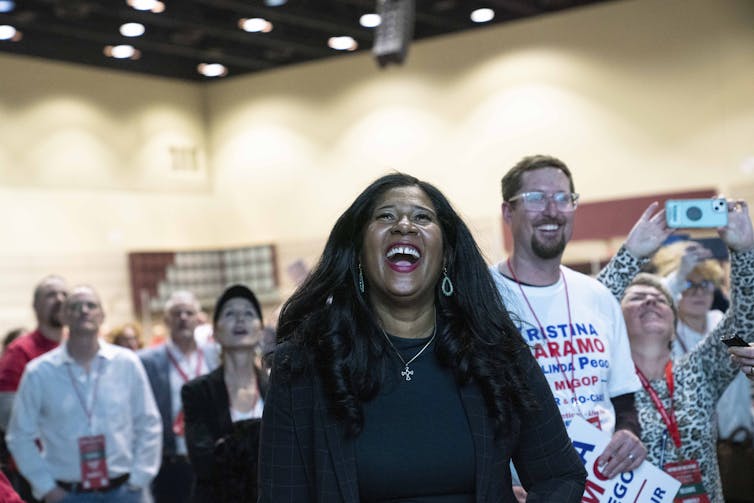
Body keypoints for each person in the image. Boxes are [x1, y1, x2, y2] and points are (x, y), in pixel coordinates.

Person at [258, 173, 586, 502]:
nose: (404, 225)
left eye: (422, 217)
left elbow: (560, 474)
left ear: (445, 255)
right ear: (358, 252)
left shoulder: (497, 353)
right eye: (385, 216)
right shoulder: (302, 367)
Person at [489, 155, 646, 499]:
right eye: (535, 198)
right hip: (525, 490)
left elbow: (624, 403)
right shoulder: (482, 297)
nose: (551, 210)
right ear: (507, 212)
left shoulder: (598, 295)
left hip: (606, 486)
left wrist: (629, 434)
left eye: (562, 198)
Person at [596, 200, 754, 502]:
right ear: (616, 318)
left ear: (672, 321)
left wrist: (745, 251)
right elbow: (589, 310)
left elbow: (745, 320)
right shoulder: (602, 382)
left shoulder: (700, 367)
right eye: (637, 297)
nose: (650, 301)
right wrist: (631, 255)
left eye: (659, 299)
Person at [5, 285, 162, 502]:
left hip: (126, 491)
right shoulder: (39, 373)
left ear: (102, 315)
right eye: (76, 306)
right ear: (64, 316)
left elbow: (149, 423)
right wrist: (46, 487)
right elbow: (19, 435)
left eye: (91, 305)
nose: (84, 310)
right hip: (68, 493)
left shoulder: (126, 363)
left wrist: (140, 477)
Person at [655, 242, 754, 442]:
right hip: (693, 448)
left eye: (706, 283)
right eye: (689, 284)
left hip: (741, 442)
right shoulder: (666, 335)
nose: (699, 292)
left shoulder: (722, 324)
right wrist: (678, 276)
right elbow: (656, 301)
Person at [182, 284, 268, 503]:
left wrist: (229, 442)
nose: (240, 319)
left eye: (249, 313)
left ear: (260, 329)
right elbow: (204, 463)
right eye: (230, 313)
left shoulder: (280, 387)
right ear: (216, 332)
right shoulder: (197, 392)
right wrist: (261, 436)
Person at [139, 291, 218, 503]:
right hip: (170, 464)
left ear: (198, 319)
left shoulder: (215, 355)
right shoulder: (147, 361)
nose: (183, 317)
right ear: (166, 320)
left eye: (188, 312)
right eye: (177, 313)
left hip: (213, 460)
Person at [0, 276, 68, 501]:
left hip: (79, 468)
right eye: (51, 295)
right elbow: (9, 417)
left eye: (64, 294)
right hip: (38, 471)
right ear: (35, 306)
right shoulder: (19, 352)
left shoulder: (79, 348)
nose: (59, 299)